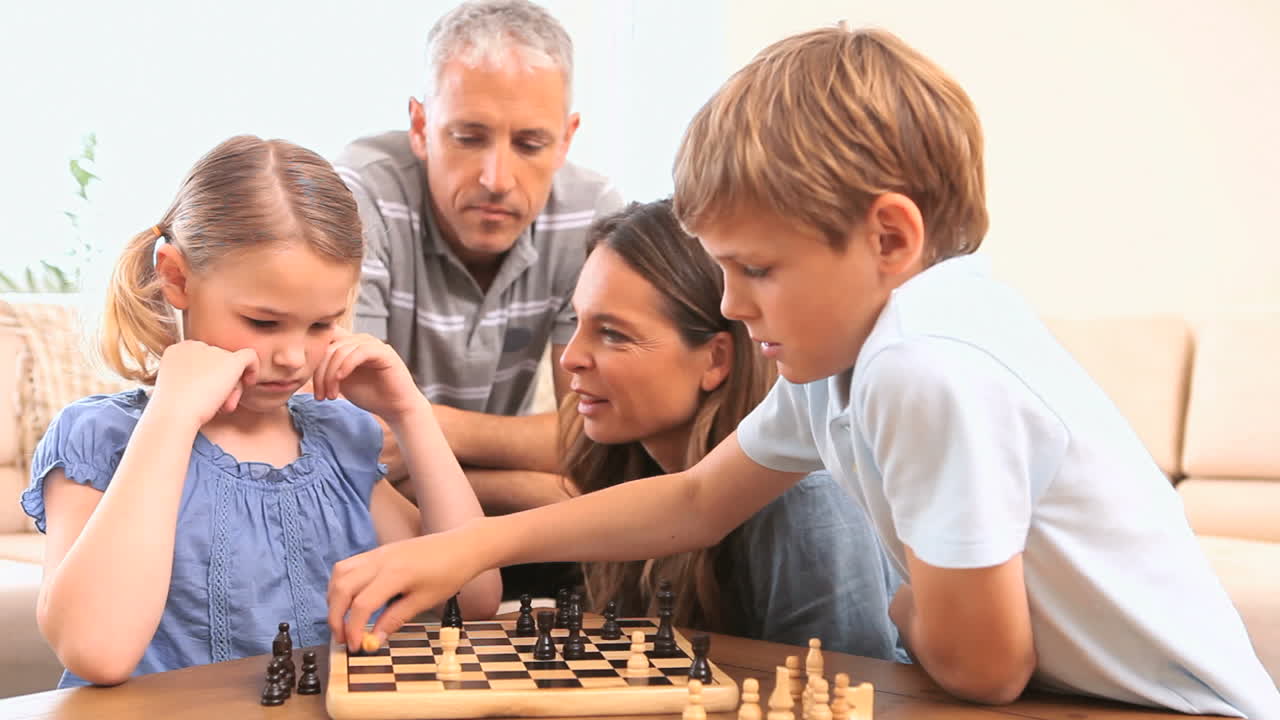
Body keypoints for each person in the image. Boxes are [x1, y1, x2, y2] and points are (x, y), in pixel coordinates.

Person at [327, 28, 1280, 718]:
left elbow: (982, 668)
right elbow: (696, 499)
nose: (734, 308)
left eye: (758, 269)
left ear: (889, 238)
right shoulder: (846, 360)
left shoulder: (922, 366)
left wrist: (911, 598)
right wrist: (470, 548)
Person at [22, 135, 501, 688]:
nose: (294, 357)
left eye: (322, 324)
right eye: (264, 322)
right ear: (176, 277)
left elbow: (473, 596)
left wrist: (412, 415)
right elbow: (96, 652)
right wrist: (172, 417)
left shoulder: (337, 442)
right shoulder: (99, 440)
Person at [558, 199, 903, 659]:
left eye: (613, 334)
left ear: (716, 358)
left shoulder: (804, 500)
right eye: (576, 322)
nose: (570, 357)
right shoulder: (629, 467)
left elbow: (847, 695)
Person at [335, 0, 624, 501]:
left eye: (530, 144)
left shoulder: (591, 214)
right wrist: (536, 476)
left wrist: (427, 427)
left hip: (442, 496)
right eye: (469, 138)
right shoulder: (360, 197)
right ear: (421, 128)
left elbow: (593, 438)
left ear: (565, 141)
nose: (497, 179)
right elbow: (353, 443)